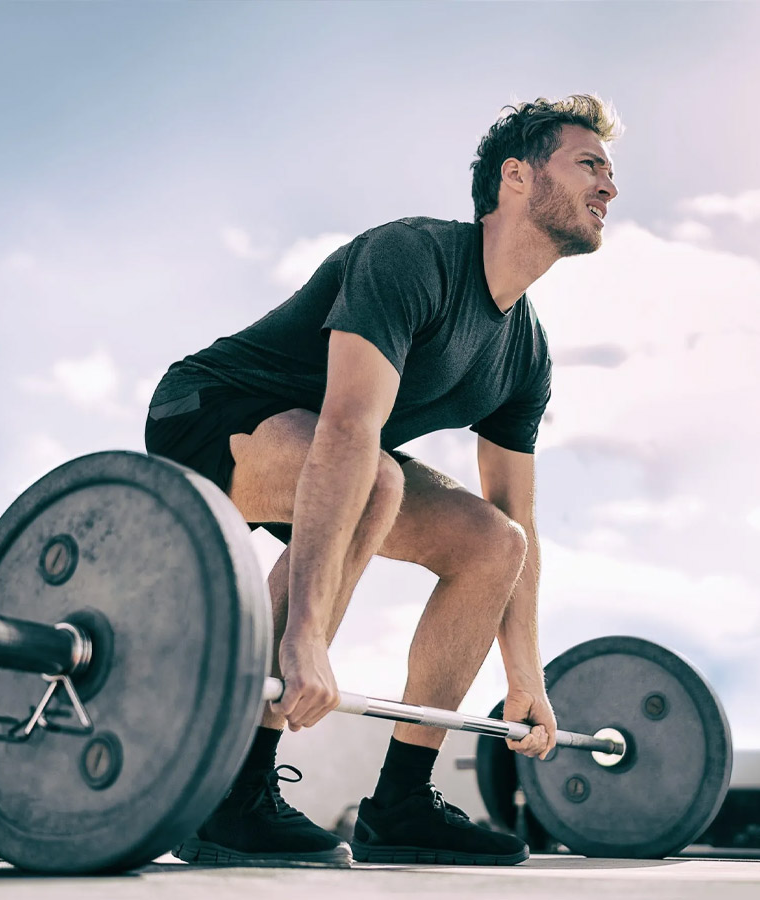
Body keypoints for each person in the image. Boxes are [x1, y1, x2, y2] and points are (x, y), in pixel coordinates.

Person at [145, 94, 621, 867]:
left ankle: (401, 801)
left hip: (338, 456)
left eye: (610, 172)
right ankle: (232, 792)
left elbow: (517, 516)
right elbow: (347, 429)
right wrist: (303, 637)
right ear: (517, 178)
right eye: (589, 165)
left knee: (492, 543)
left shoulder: (525, 352)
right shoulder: (413, 256)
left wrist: (524, 676)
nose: (609, 187)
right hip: (205, 415)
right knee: (376, 481)